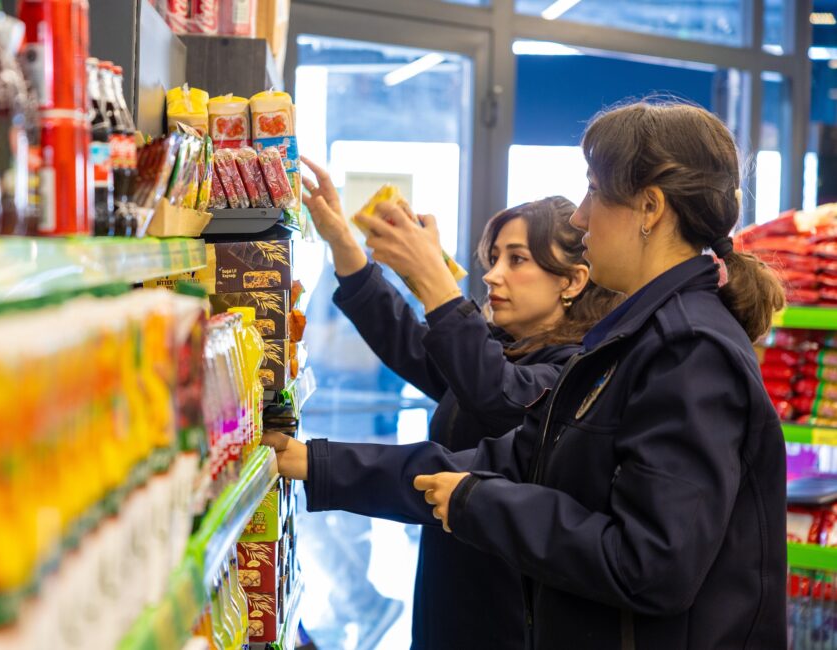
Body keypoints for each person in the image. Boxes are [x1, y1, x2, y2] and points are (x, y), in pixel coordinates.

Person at [270, 101, 788, 649]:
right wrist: (316, 462)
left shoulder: (687, 350)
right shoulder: (629, 341)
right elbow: (514, 458)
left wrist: (480, 502)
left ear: (650, 208)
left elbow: (652, 565)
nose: (581, 215)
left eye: (593, 189)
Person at [298, 159, 620, 649]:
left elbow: (498, 398)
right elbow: (410, 342)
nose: (492, 275)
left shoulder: (576, 372)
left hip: (505, 616)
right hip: (451, 594)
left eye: (517, 260)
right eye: (492, 257)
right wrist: (343, 241)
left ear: (572, 281)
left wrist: (434, 282)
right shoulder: (511, 351)